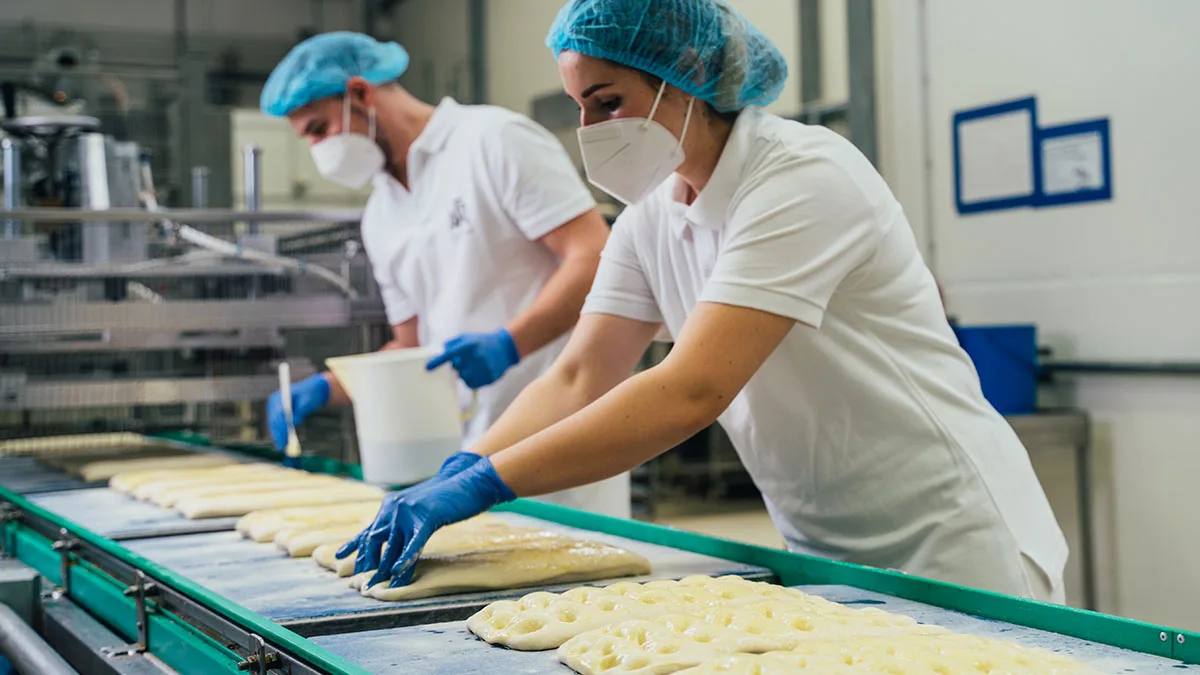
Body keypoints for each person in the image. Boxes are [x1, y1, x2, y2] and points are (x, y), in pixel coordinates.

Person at [337, 0, 1069, 603]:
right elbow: (580, 374)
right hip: (828, 549)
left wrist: (491, 483)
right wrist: (462, 465)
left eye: (606, 102)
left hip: (953, 541)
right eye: (579, 108)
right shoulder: (653, 215)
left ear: (680, 78)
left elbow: (693, 388)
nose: (589, 133)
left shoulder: (801, 176)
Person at [259, 31, 630, 517]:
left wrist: (510, 343)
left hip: (555, 444)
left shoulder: (493, 141)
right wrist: (330, 385)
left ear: (360, 94)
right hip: (463, 461)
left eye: (318, 129)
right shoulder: (381, 214)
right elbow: (410, 344)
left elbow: (594, 256)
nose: (316, 149)